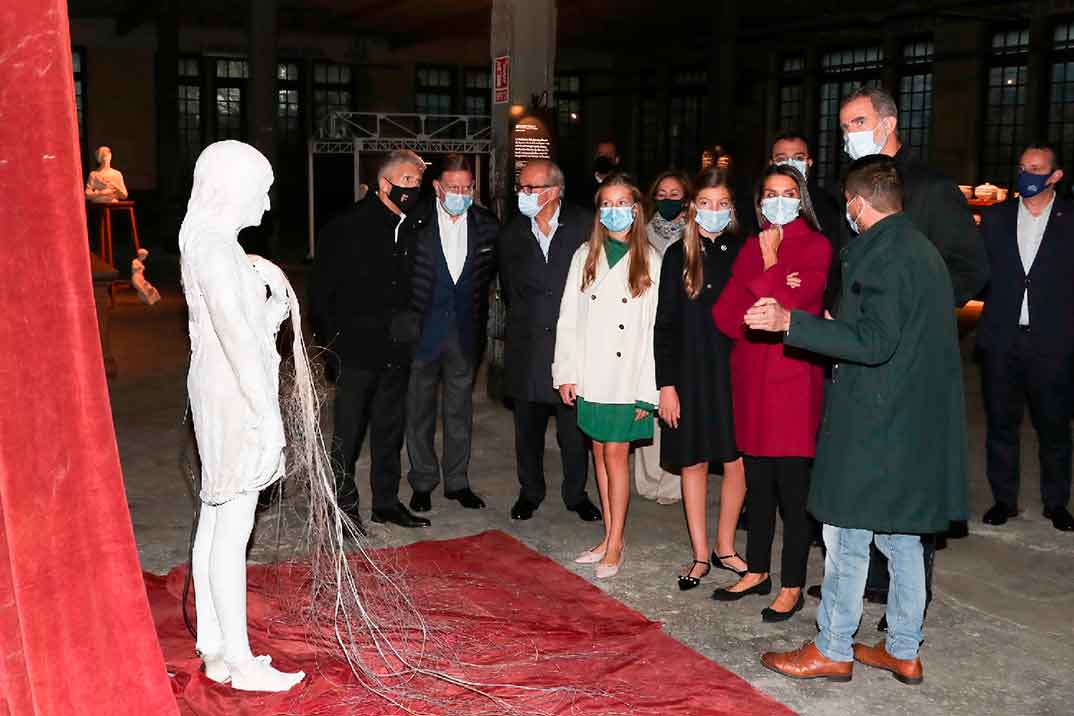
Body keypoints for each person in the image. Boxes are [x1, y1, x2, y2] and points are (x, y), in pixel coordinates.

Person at [751, 154, 968, 686]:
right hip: (911, 421)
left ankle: (832, 646)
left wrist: (792, 323)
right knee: (902, 539)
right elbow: (889, 329)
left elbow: (875, 343)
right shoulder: (919, 249)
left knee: (846, 532)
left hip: (876, 423)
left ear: (855, 203)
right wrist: (835, 326)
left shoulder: (881, 255)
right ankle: (902, 649)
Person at [836, 85, 987, 612]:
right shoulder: (853, 189)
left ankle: (904, 603)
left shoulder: (930, 187)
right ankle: (861, 584)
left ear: (887, 123)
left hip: (910, 359)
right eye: (844, 126)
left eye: (856, 122)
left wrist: (918, 311)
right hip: (859, 355)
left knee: (909, 483)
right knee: (864, 472)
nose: (848, 135)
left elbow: (971, 265)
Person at [180, 140, 304, 692]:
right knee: (234, 527)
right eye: (264, 190)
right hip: (233, 391)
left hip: (216, 383)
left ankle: (215, 646)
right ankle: (240, 658)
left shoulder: (207, 243)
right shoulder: (216, 249)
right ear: (235, 189)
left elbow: (240, 325)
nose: (270, 204)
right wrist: (267, 415)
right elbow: (236, 339)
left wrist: (271, 306)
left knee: (216, 512)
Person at [711, 164, 830, 621]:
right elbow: (727, 316)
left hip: (794, 384)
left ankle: (793, 583)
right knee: (757, 486)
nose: (778, 201)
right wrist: (770, 286)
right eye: (770, 194)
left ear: (801, 199)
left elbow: (798, 308)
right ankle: (757, 569)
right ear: (758, 201)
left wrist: (769, 269)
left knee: (792, 494)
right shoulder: (749, 245)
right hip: (751, 380)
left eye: (788, 193)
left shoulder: (815, 246)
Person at [310, 149, 428, 528]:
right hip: (355, 350)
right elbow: (323, 293)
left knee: (390, 428)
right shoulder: (346, 226)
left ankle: (386, 502)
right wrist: (333, 348)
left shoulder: (413, 226)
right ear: (384, 184)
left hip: (397, 349)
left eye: (417, 182)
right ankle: (342, 508)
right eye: (407, 181)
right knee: (348, 432)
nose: (413, 188)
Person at [554, 174, 661, 579]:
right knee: (599, 451)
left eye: (623, 203)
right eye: (607, 204)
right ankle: (608, 534)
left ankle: (616, 542)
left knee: (616, 454)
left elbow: (655, 334)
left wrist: (645, 394)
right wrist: (566, 372)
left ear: (636, 210)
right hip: (591, 373)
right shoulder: (585, 255)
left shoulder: (652, 260)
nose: (615, 211)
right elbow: (568, 318)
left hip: (627, 377)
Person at [654, 167, 748, 590]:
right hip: (689, 374)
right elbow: (665, 325)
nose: (713, 211)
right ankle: (698, 554)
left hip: (736, 373)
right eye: (705, 203)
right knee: (692, 462)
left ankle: (724, 546)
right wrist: (666, 385)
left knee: (735, 460)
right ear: (693, 208)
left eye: (722, 204)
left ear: (732, 209)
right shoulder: (678, 254)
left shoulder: (746, 250)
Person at [497, 159, 602, 523]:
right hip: (527, 347)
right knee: (527, 430)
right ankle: (530, 491)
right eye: (521, 188)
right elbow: (511, 290)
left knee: (574, 433)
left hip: (572, 347)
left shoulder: (586, 224)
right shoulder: (512, 232)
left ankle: (576, 493)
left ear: (554, 191)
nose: (523, 195)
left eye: (531, 188)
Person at [977, 143, 1074, 532]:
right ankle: (1004, 499)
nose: (1027, 174)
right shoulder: (996, 218)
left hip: (1053, 343)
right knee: (1001, 424)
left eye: (1036, 168)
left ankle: (1056, 503)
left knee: (1054, 427)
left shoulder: (1070, 220)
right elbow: (979, 271)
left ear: (1054, 176)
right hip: (1002, 339)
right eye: (1022, 167)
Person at [404, 154, 500, 514]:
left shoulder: (487, 225)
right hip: (423, 335)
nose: (461, 193)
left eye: (467, 188)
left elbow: (489, 276)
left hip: (464, 332)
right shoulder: (415, 221)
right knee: (419, 412)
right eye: (454, 187)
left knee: (460, 411)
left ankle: (457, 482)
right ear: (437, 188)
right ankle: (423, 480)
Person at [635, 170, 692, 505]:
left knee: (674, 405)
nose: (668, 199)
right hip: (644, 328)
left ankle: (672, 483)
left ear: (685, 198)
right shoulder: (640, 234)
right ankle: (646, 478)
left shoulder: (694, 233)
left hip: (678, 330)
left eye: (676, 194)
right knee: (647, 401)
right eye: (662, 193)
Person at [769, 130, 843, 309]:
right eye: (782, 158)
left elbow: (833, 264)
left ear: (809, 163)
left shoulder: (829, 204)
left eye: (798, 158)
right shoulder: (760, 203)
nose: (790, 164)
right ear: (771, 164)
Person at [571, 140, 621, 205]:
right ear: (595, 157)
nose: (603, 157)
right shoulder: (580, 185)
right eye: (600, 154)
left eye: (608, 154)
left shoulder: (623, 185)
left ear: (616, 160)